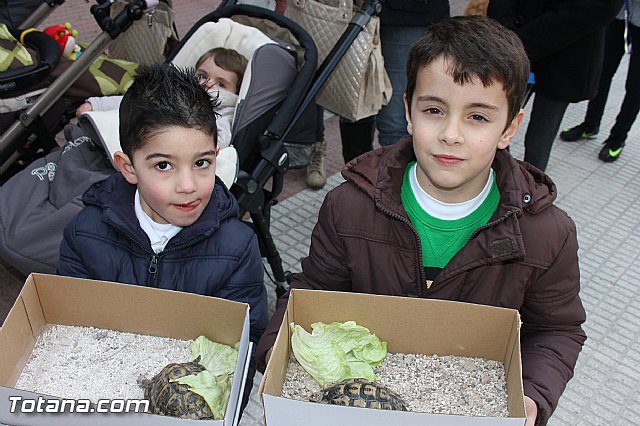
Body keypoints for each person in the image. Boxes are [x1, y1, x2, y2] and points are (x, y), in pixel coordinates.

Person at [255, 16, 586, 426]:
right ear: (408, 112)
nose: (451, 134)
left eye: (477, 117)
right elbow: (312, 293)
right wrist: (276, 350)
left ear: (510, 127)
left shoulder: (545, 233)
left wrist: (533, 396)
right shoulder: (349, 207)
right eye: (434, 110)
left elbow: (557, 331)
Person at [57, 63, 267, 414]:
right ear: (128, 167)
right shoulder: (85, 233)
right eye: (164, 166)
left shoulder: (237, 246)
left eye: (201, 163)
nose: (187, 186)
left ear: (217, 156)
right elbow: (71, 329)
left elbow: (243, 346)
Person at [487, 0, 623, 171]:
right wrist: (504, 35)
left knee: (537, 143)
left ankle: (528, 192)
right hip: (512, 41)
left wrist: (520, 43)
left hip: (566, 53)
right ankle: (496, 181)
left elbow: (601, 7)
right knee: (492, 127)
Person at [339, 0, 450, 163]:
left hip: (409, 16)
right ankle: (357, 178)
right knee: (353, 106)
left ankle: (394, 182)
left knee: (395, 120)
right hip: (352, 11)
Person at [75, 47, 248, 150]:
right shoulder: (176, 88)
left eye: (221, 84)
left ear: (235, 93)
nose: (208, 84)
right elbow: (133, 100)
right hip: (138, 136)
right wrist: (96, 105)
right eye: (202, 76)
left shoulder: (225, 111)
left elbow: (221, 137)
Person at [559, 1, 640, 162]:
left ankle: (618, 137)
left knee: (635, 85)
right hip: (618, 15)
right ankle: (590, 124)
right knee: (602, 72)